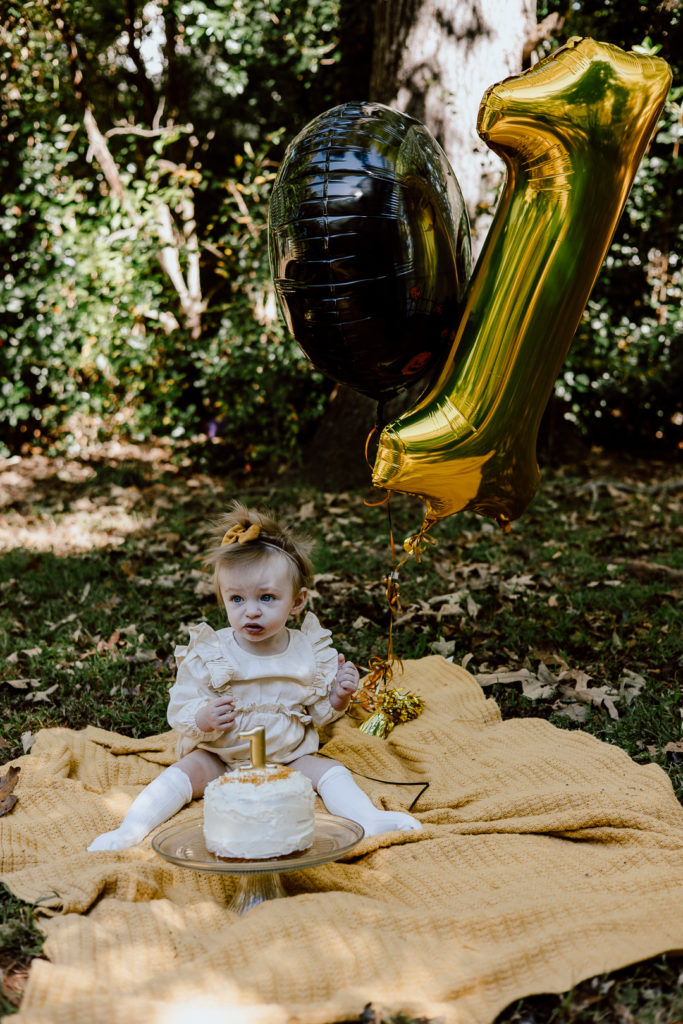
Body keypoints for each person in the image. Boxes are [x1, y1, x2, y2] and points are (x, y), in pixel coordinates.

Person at [88, 503, 421, 851]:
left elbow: (317, 713)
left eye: (267, 597)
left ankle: (368, 820)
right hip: (222, 755)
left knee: (330, 771)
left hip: (287, 757)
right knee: (181, 774)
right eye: (236, 598)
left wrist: (338, 696)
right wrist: (203, 717)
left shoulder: (308, 652)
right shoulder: (212, 653)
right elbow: (181, 707)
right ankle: (130, 829)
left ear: (296, 601)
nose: (251, 611)